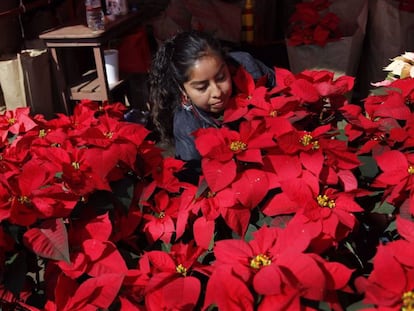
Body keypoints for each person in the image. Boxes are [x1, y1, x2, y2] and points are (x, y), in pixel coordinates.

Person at [148, 30, 275, 171]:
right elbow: (194, 177)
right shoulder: (187, 126)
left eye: (221, 77)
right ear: (182, 89)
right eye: (202, 87)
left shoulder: (246, 66)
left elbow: (282, 93)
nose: (217, 92)